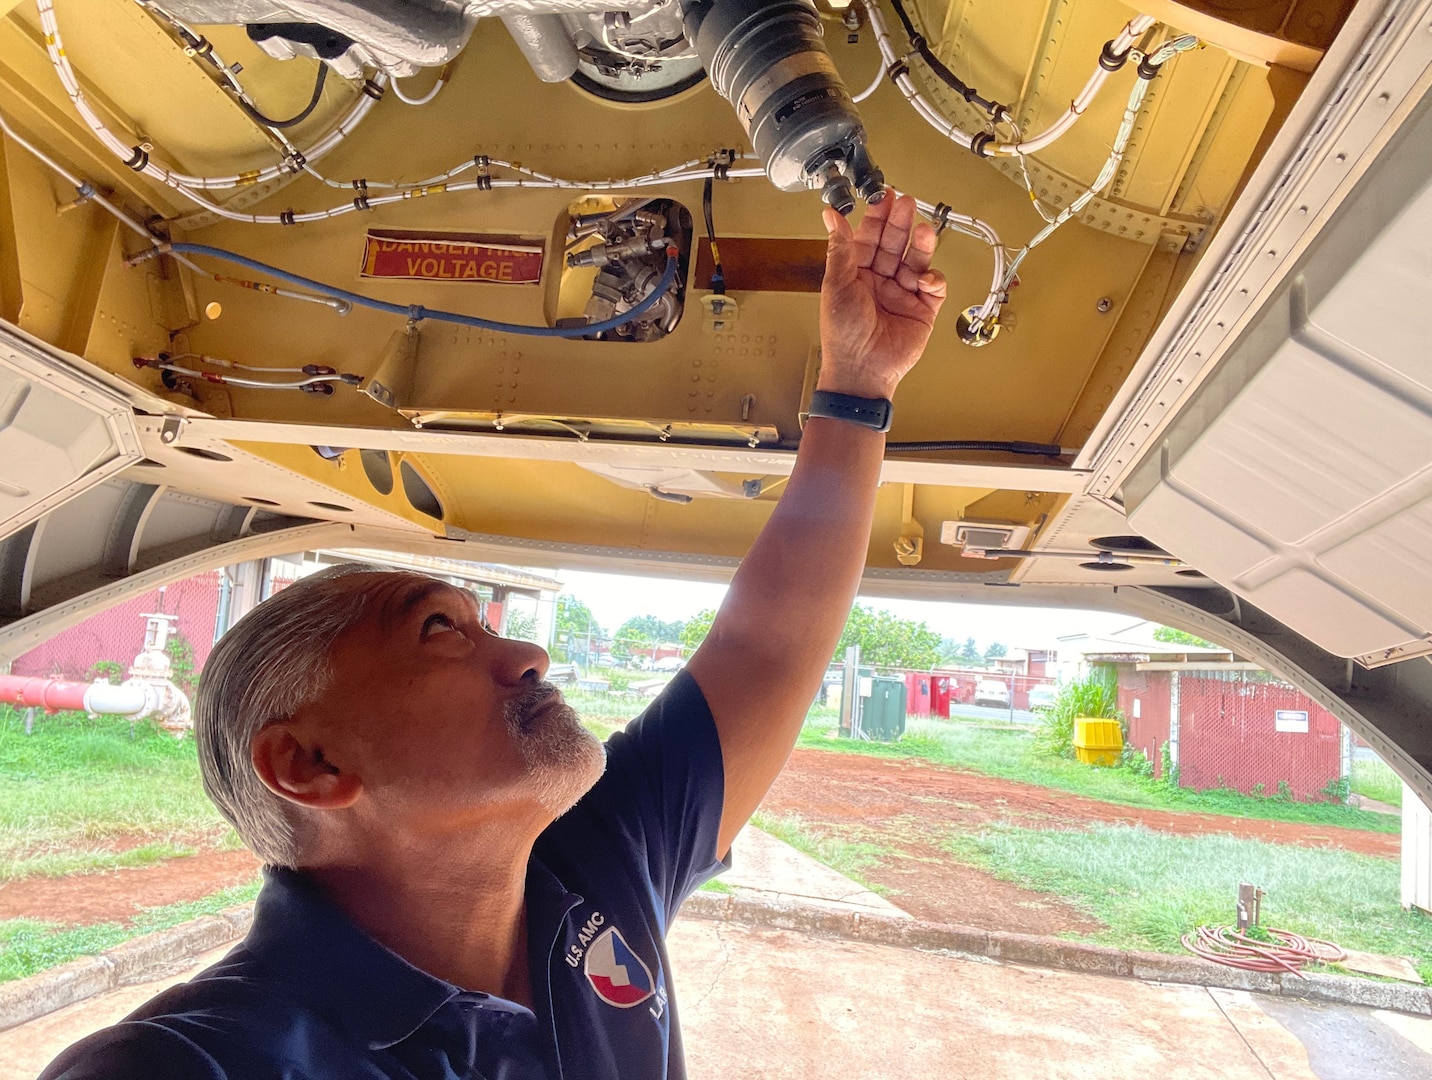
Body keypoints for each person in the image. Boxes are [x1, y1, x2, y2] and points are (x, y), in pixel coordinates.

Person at [39, 190, 946, 1080]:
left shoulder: (596, 856)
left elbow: (768, 646)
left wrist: (858, 383)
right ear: (310, 765)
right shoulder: (187, 1061)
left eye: (483, 625)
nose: (527, 657)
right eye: (441, 629)